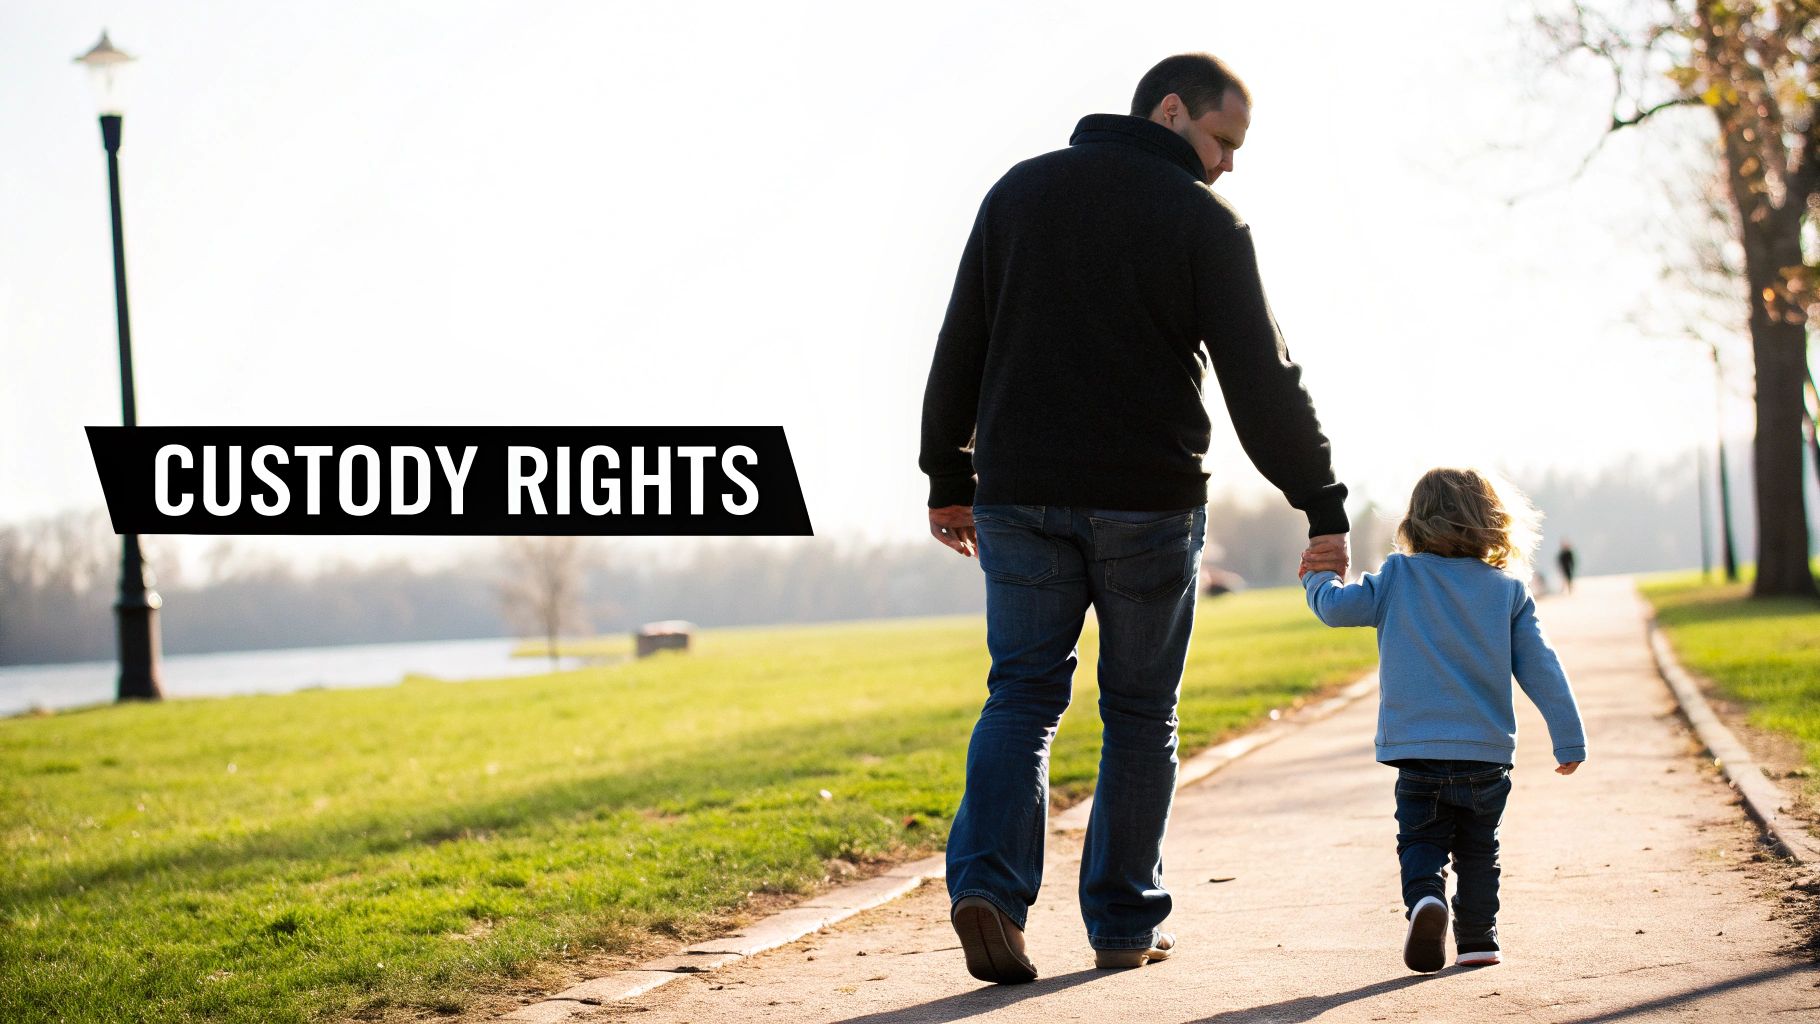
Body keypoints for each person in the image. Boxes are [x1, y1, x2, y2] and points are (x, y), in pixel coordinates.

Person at [919, 52, 1350, 984]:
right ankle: (1123, 922)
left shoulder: (1019, 192)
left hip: (1020, 491)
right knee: (1142, 711)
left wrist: (947, 472)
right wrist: (1320, 502)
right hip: (1147, 502)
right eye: (1222, 139)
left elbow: (963, 338)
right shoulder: (1203, 219)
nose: (1228, 163)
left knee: (1022, 695)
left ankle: (988, 889)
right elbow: (1262, 379)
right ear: (1170, 111)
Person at [1299, 468, 1586, 973]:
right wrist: (1569, 739)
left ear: (1415, 522)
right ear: (1491, 522)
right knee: (1479, 850)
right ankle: (1478, 939)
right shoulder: (1507, 590)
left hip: (1417, 752)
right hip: (1485, 755)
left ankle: (1426, 898)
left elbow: (1337, 609)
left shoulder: (1398, 576)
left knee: (1421, 841)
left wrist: (1318, 577)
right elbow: (1542, 667)